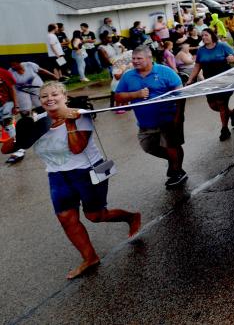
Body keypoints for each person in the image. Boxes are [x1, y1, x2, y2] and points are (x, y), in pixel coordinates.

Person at [0, 81, 141, 279]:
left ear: (65, 97)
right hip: (57, 176)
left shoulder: (81, 115)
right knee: (66, 219)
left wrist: (70, 121)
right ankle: (89, 257)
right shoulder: (39, 121)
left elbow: (77, 148)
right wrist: (21, 135)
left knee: (95, 216)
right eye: (44, 96)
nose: (49, 98)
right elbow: (5, 150)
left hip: (87, 172)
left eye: (54, 94)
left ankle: (131, 217)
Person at [115, 46, 188, 188]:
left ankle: (178, 171)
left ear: (149, 58)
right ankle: (174, 162)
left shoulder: (166, 72)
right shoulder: (128, 75)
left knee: (171, 145)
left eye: (139, 58)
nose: (135, 61)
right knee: (148, 146)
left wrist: (179, 116)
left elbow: (181, 95)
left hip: (168, 118)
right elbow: (118, 96)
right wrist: (135, 95)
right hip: (145, 122)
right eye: (133, 59)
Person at [186, 28, 234, 141]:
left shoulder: (222, 46)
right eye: (202, 35)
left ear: (212, 36)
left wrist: (232, 59)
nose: (204, 37)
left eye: (206, 35)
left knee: (221, 103)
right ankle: (232, 113)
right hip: (209, 81)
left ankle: (224, 130)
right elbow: (197, 66)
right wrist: (190, 79)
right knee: (213, 105)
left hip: (224, 80)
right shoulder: (201, 50)